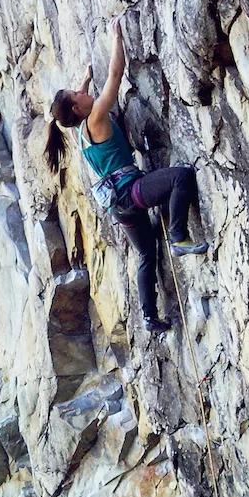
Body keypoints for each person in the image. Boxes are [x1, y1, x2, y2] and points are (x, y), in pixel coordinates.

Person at [45, 20, 205, 333]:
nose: (81, 91)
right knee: (181, 178)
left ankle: (148, 316)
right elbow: (116, 77)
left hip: (118, 206)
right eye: (76, 94)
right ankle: (178, 237)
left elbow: (79, 94)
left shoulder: (81, 133)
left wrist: (86, 79)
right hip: (131, 192)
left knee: (146, 254)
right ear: (78, 108)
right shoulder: (96, 117)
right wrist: (117, 39)